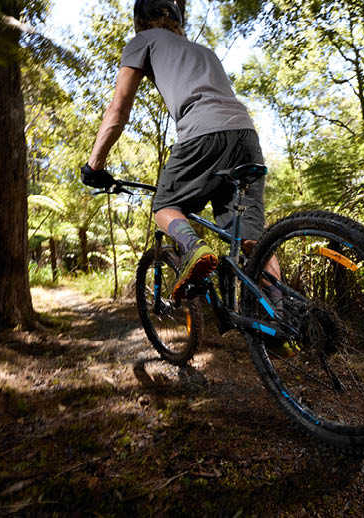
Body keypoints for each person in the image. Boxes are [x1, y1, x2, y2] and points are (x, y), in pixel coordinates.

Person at [81, 0, 279, 303]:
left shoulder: (143, 40)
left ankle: (194, 249)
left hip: (202, 133)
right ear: (177, 21)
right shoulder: (205, 52)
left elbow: (118, 111)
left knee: (165, 207)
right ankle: (282, 318)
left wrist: (94, 165)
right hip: (246, 136)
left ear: (140, 21)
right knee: (252, 241)